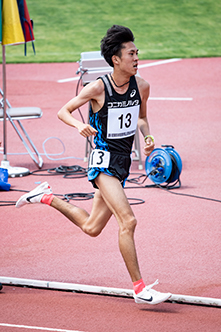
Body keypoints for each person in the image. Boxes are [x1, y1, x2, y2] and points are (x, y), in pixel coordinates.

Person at [16, 25, 171, 305]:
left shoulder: (142, 86)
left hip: (123, 165)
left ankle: (45, 196)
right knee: (128, 220)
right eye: (132, 53)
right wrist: (80, 125)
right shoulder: (98, 87)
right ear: (116, 59)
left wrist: (147, 137)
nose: (137, 57)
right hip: (102, 163)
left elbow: (142, 118)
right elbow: (64, 111)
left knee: (91, 227)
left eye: (137, 52)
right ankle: (140, 290)